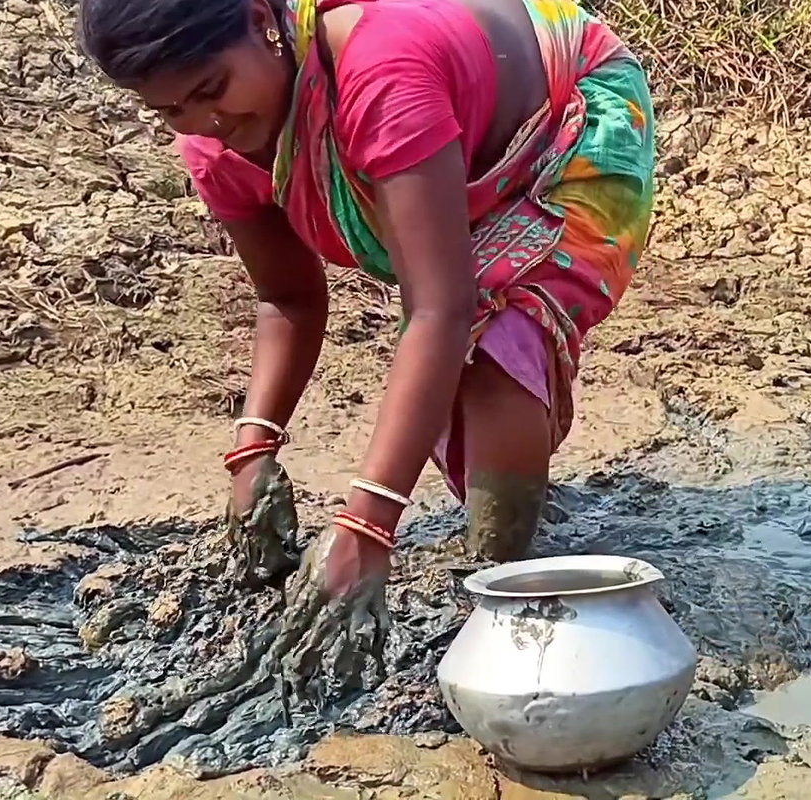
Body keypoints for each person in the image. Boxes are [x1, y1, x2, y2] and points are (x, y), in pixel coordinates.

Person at [77, 0, 655, 696]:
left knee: (496, 343)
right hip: (449, 144)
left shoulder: (379, 73)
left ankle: (504, 586)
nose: (206, 122)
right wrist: (253, 451)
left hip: (568, 120)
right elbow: (287, 297)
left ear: (262, 22)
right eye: (171, 111)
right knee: (461, 354)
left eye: (212, 89)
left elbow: (441, 308)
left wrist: (367, 525)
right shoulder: (217, 146)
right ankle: (501, 524)